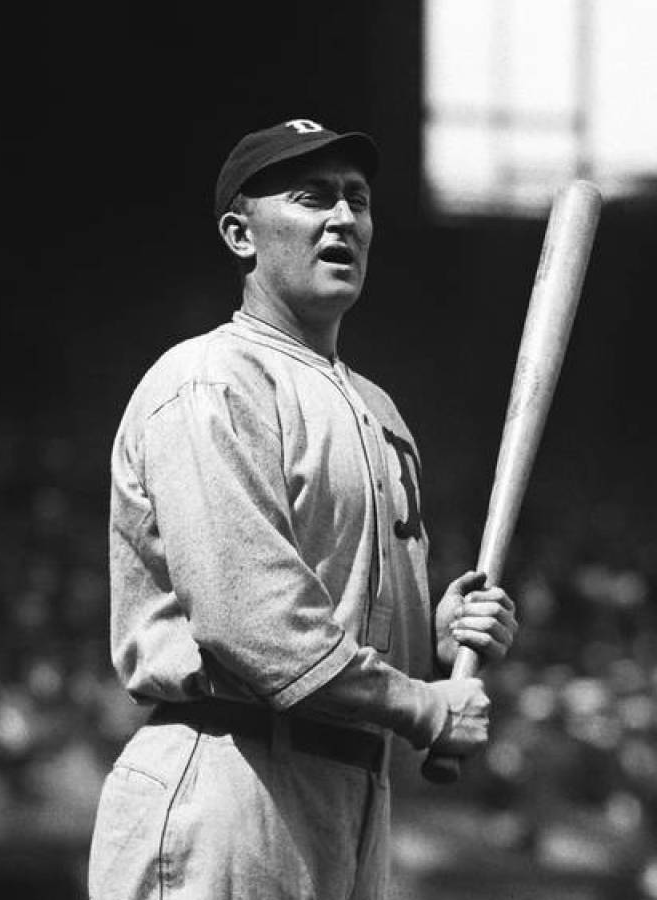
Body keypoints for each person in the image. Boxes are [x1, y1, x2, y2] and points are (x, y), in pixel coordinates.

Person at [86, 119, 521, 899]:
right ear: (240, 234)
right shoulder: (212, 379)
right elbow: (252, 622)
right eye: (312, 197)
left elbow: (356, 629)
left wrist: (442, 634)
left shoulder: (377, 407)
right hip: (228, 774)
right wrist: (422, 703)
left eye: (357, 199)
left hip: (351, 793)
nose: (344, 219)